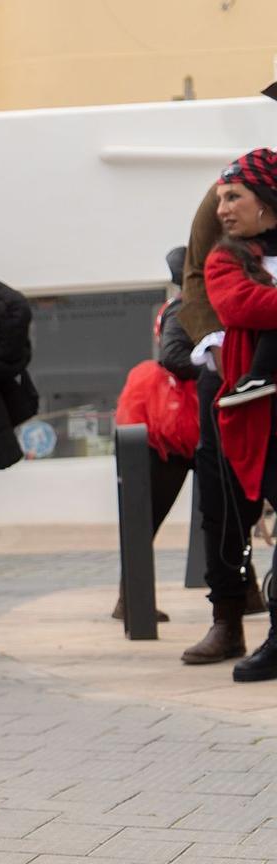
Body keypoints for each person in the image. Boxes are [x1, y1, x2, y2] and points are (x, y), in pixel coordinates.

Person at [199, 149, 277, 681]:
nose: (221, 209)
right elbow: (241, 308)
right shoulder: (224, 258)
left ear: (267, 204)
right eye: (221, 198)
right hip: (263, 415)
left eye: (234, 198)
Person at [112, 246, 200, 623]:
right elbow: (175, 359)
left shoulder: (181, 307)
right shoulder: (184, 310)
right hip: (173, 427)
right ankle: (130, 600)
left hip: (181, 424)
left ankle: (244, 593)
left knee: (221, 510)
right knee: (148, 516)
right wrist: (214, 360)